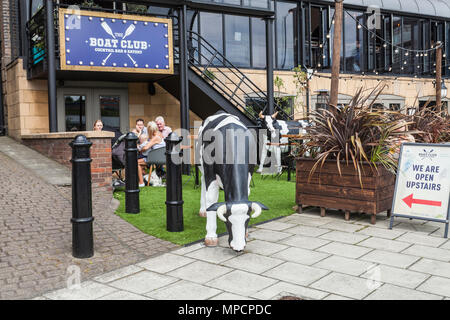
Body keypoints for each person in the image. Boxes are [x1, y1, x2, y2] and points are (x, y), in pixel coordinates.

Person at [137, 121, 166, 187]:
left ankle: (141, 183)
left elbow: (145, 148)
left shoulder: (155, 137)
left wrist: (140, 149)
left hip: (155, 159)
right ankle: (145, 179)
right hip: (161, 157)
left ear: (149, 130)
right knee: (140, 164)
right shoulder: (159, 134)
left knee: (136, 162)